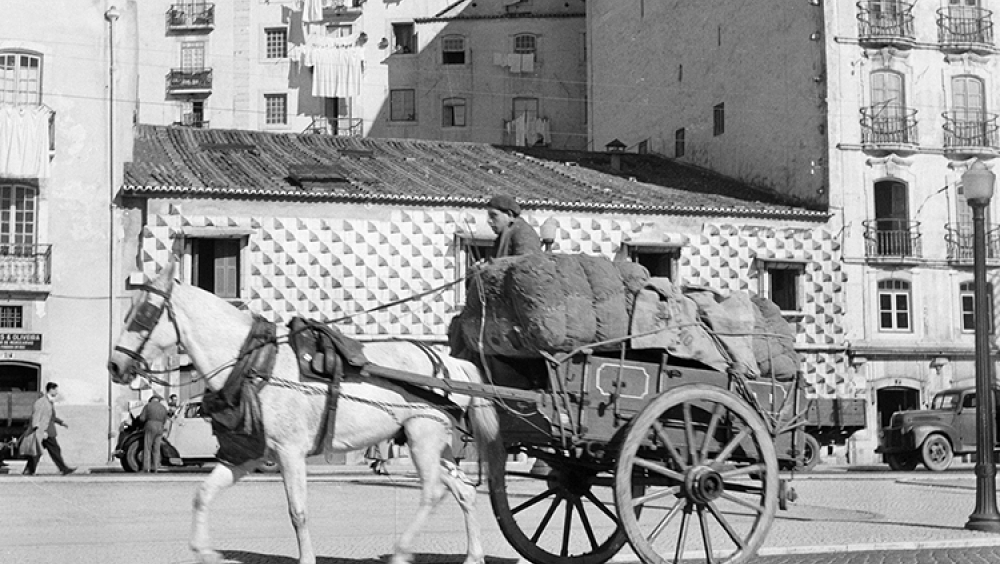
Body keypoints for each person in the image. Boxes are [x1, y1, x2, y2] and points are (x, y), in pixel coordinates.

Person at [21, 382, 76, 476]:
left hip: (47, 431)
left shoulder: (49, 402)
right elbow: (36, 416)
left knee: (38, 452)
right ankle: (63, 468)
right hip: (44, 432)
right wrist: (41, 430)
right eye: (55, 389)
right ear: (50, 389)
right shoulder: (41, 402)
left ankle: (29, 470)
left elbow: (51, 417)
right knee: (53, 450)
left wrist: (61, 422)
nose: (57, 392)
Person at [139, 394, 169, 472]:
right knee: (156, 449)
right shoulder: (163, 408)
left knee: (147, 448)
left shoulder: (148, 406)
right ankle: (155, 467)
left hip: (150, 426)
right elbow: (165, 420)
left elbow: (142, 418)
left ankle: (146, 468)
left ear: (151, 400)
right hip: (160, 427)